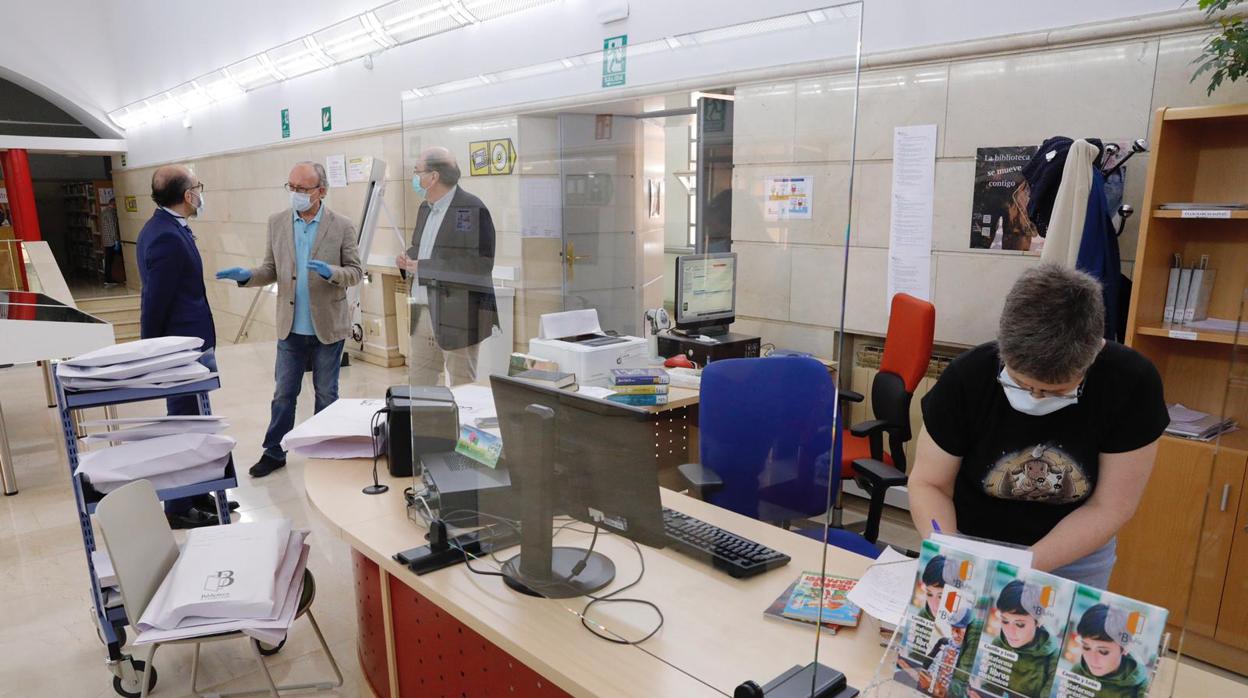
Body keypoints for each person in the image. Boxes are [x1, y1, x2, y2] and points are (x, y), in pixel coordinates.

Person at [909, 264, 1169, 589]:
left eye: (1054, 390)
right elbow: (929, 483)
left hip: (1075, 555)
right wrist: (948, 549)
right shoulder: (967, 378)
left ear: (1094, 354)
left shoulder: (1131, 383)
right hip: (970, 541)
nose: (1035, 396)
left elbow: (1110, 505)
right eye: (1021, 384)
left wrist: (1023, 566)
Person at [216, 162, 363, 478]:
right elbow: (270, 269)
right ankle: (274, 451)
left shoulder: (341, 225)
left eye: (302, 189)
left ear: (321, 191)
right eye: (291, 187)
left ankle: (324, 447)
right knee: (284, 393)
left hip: (327, 326)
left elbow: (355, 271)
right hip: (290, 326)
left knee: (327, 392)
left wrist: (332, 273)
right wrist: (248, 276)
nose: (295, 194)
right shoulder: (278, 223)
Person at [136, 165, 226, 528]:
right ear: (188, 195)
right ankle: (177, 507)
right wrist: (154, 354)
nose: (201, 193)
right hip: (179, 350)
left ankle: (196, 490)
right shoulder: (165, 237)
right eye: (198, 187)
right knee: (183, 426)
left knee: (197, 422)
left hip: (191, 344)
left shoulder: (170, 227)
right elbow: (155, 300)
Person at [395, 147, 498, 387]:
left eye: (417, 171)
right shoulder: (425, 209)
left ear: (434, 177)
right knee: (420, 385)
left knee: (462, 387)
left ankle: (461, 426)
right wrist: (406, 259)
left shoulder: (471, 209)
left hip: (458, 314)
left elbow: (480, 265)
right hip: (423, 311)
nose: (415, 178)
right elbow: (421, 248)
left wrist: (426, 267)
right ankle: (426, 425)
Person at [979, 580, 1060, 698]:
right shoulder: (999, 643)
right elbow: (991, 689)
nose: (1009, 632)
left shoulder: (1053, 658)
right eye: (1005, 621)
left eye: (1020, 624)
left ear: (1038, 621)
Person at [1071, 604, 1148, 698]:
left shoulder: (1142, 686)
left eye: (1103, 652)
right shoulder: (1077, 671)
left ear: (1125, 648)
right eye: (1086, 647)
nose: (1092, 660)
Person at [99, 199, 121, 285]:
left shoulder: (104, 212)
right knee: (113, 260)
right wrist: (116, 240)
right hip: (112, 241)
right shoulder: (111, 213)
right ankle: (109, 279)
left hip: (106, 240)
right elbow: (112, 227)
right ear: (114, 204)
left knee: (108, 260)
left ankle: (107, 278)